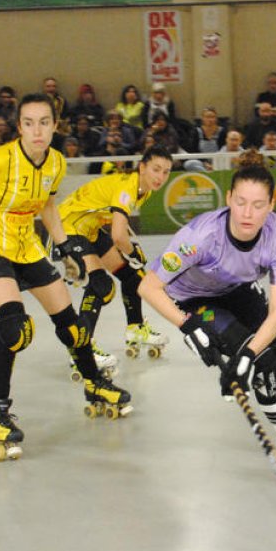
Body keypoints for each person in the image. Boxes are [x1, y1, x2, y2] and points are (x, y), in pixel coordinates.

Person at [0, 93, 133, 460]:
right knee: (15, 326)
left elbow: (46, 204)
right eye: (29, 123)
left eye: (44, 122)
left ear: (55, 126)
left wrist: (65, 246)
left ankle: (94, 383)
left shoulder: (56, 163)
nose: (37, 130)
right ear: (19, 127)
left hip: (28, 249)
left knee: (72, 327)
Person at [138, 150, 276, 484]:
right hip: (194, 300)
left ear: (271, 206)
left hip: (235, 288)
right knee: (266, 367)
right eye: (240, 202)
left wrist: (247, 355)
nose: (247, 213)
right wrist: (187, 325)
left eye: (258, 205)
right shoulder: (201, 236)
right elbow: (148, 288)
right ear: (228, 199)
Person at [55, 147, 174, 379]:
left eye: (166, 172)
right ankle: (82, 348)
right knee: (101, 285)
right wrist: (134, 252)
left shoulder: (144, 189)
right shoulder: (128, 187)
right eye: (156, 169)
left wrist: (131, 256)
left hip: (88, 228)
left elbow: (114, 228)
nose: (160, 176)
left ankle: (136, 329)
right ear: (142, 167)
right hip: (67, 228)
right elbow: (119, 235)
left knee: (133, 276)